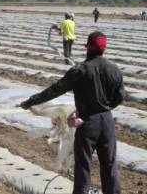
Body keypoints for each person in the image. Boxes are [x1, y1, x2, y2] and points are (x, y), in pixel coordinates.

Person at [20, 31, 125, 194]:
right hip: (107, 122)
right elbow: (120, 97)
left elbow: (55, 90)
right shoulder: (114, 69)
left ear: (87, 47)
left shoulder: (80, 70)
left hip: (87, 122)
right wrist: (104, 108)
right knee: (110, 165)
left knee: (83, 167)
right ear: (104, 49)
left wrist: (31, 101)